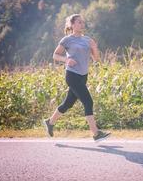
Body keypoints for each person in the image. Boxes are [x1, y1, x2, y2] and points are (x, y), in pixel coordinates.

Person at [43, 13, 111, 142]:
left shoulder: (87, 40)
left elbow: (96, 59)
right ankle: (96, 134)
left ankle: (50, 123)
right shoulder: (67, 40)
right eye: (79, 22)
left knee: (68, 104)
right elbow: (55, 55)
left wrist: (94, 47)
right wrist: (66, 59)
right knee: (88, 102)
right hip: (72, 75)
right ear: (72, 25)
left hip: (83, 76)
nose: (82, 24)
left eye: (82, 22)